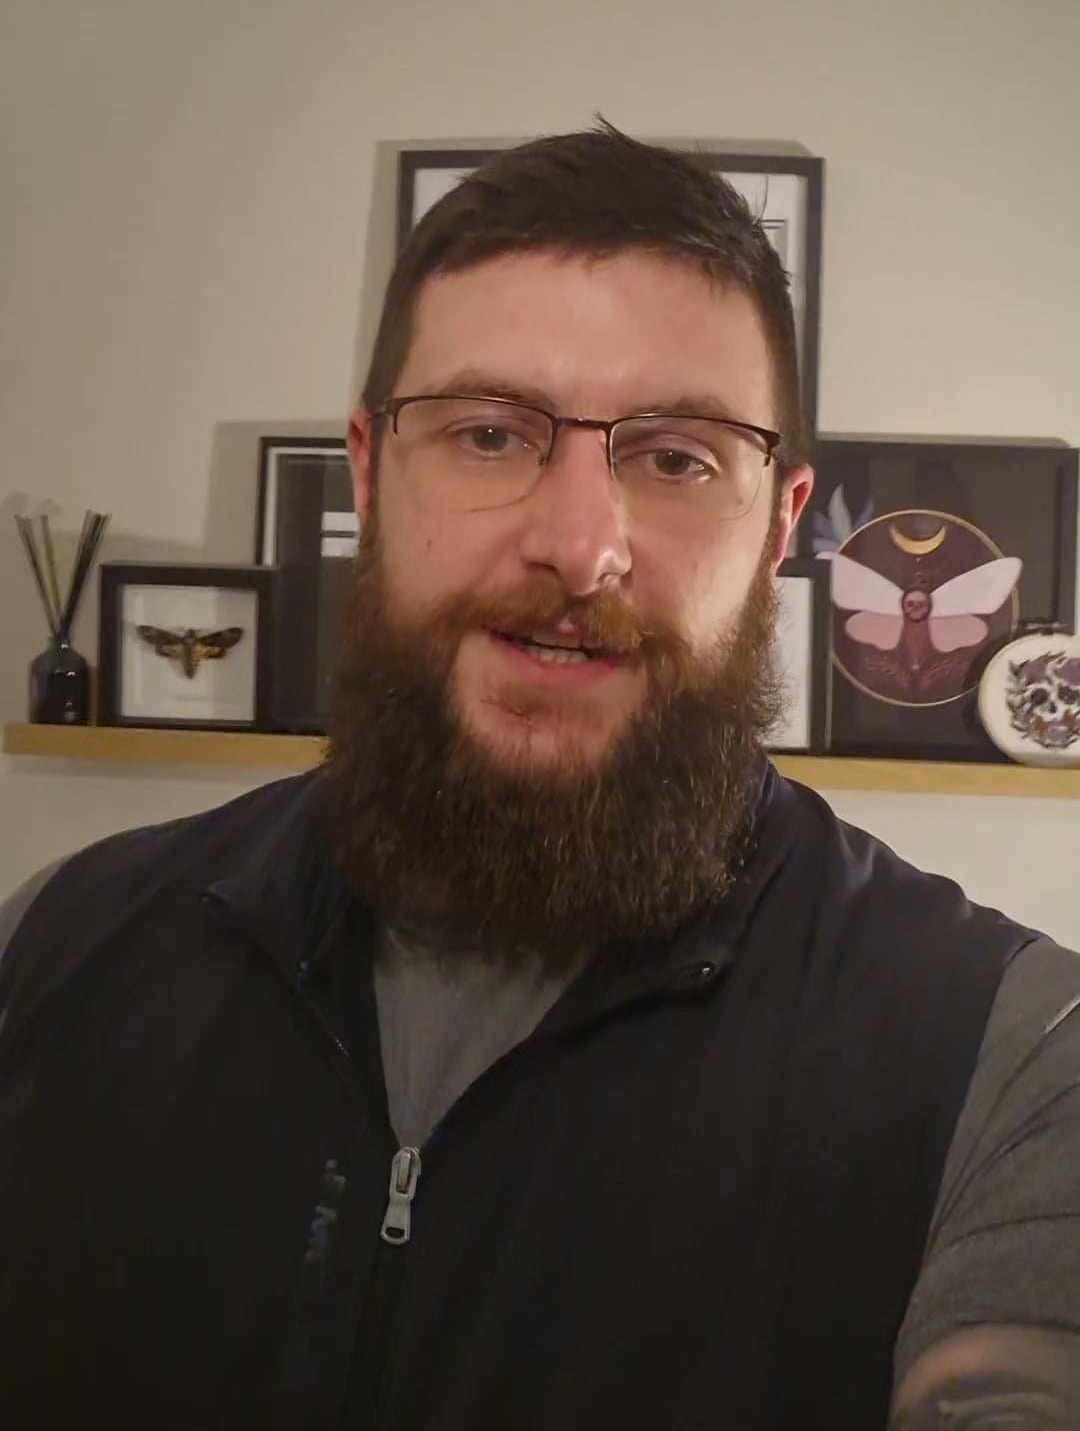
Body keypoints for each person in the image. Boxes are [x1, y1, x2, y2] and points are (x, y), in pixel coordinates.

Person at [1, 125, 1078, 1431]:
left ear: (780, 525)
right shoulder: (51, 949)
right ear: (367, 473)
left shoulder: (1011, 1061)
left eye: (677, 458)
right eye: (488, 433)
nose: (580, 546)